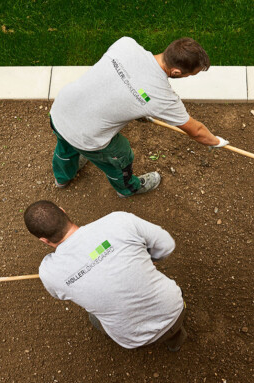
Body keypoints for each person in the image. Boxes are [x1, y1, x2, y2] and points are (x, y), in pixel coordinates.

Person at [49, 36, 229, 197]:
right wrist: (216, 141)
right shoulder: (162, 97)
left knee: (65, 148)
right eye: (190, 74)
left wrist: (139, 108)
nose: (189, 77)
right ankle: (127, 188)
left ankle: (62, 178)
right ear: (176, 72)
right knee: (121, 154)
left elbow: (116, 85)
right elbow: (196, 131)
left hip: (60, 111)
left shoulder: (126, 44)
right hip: (88, 137)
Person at [24, 200, 187, 351]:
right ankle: (175, 342)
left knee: (94, 318)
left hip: (135, 339)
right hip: (174, 309)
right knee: (173, 328)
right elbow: (166, 245)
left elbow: (60, 295)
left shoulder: (48, 272)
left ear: (44, 240)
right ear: (63, 211)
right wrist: (149, 259)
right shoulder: (119, 221)